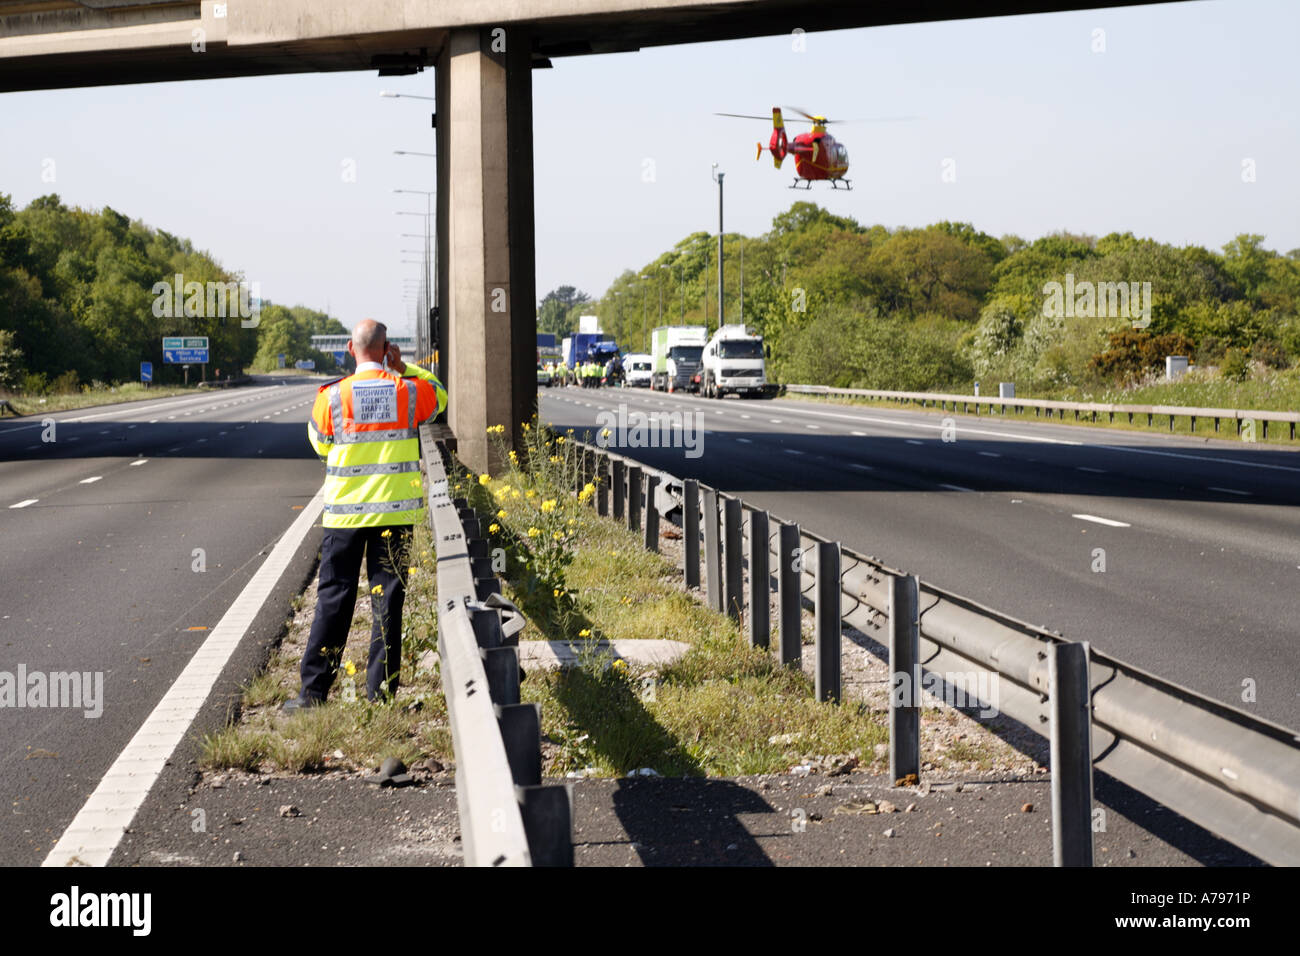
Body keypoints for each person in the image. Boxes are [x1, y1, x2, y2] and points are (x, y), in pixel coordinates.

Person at [284, 319, 447, 711]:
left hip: (345, 516)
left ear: (349, 348)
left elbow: (321, 446)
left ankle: (313, 694)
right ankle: (381, 694)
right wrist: (405, 368)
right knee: (387, 602)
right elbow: (440, 398)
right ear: (387, 348)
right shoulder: (408, 391)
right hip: (394, 514)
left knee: (333, 598)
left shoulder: (331, 397)